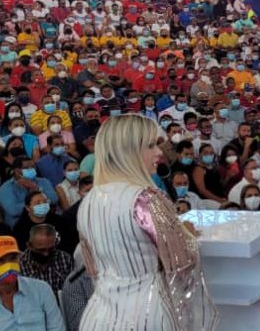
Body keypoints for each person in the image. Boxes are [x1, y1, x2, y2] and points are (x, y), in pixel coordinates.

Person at [76, 114, 219, 329]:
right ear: (129, 151)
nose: (159, 152)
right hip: (147, 315)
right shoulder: (145, 199)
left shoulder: (88, 201)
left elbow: (92, 267)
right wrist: (186, 234)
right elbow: (181, 261)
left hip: (99, 316)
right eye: (151, 145)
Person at [0, 236, 65, 330]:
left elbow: (57, 328)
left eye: (13, 258)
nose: (8, 265)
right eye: (1, 260)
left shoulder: (42, 290)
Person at [18, 224, 72, 296]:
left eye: (50, 249)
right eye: (41, 250)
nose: (46, 254)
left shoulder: (65, 259)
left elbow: (73, 288)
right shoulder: (20, 264)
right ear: (29, 245)